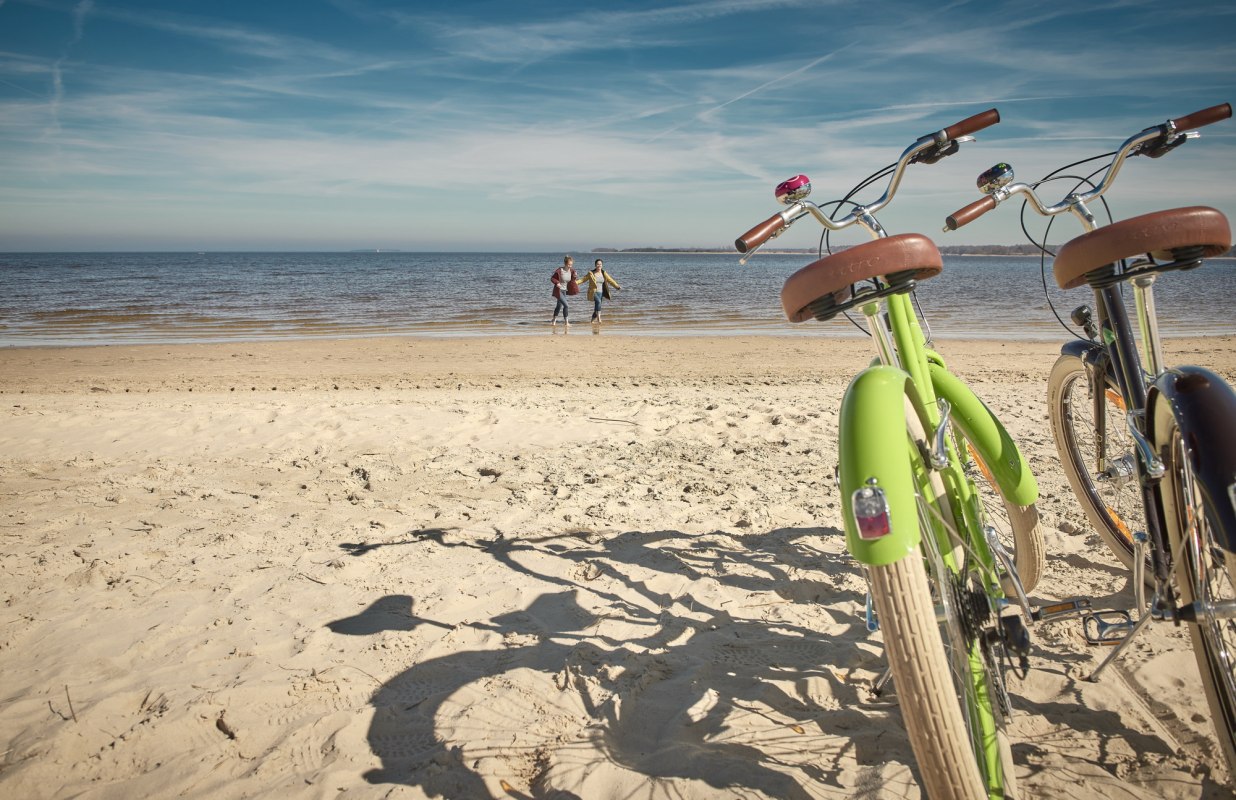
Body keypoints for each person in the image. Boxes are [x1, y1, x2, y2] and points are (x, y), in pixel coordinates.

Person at [577, 258, 622, 324]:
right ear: (595, 265)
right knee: (598, 302)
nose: (599, 265)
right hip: (593, 292)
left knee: (597, 307)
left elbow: (610, 280)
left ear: (602, 265)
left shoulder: (604, 273)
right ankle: (599, 318)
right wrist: (575, 283)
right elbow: (583, 280)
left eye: (600, 264)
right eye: (598, 264)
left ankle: (592, 321)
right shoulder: (591, 273)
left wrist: (617, 286)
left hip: (601, 293)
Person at [550, 255, 579, 330]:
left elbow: (572, 280)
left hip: (565, 291)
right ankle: (566, 322)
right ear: (565, 263)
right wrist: (557, 283)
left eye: (571, 265)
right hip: (558, 290)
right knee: (566, 305)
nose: (570, 266)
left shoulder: (572, 271)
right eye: (569, 264)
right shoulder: (560, 270)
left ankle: (554, 320)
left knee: (559, 306)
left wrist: (575, 276)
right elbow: (552, 278)